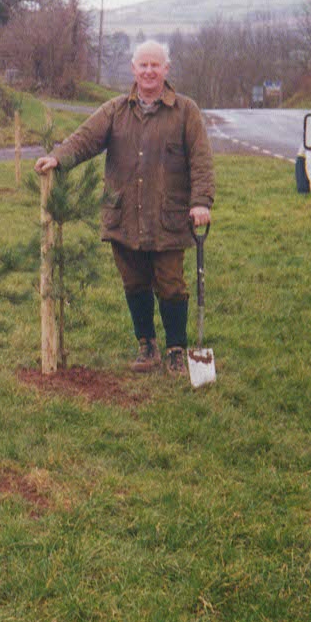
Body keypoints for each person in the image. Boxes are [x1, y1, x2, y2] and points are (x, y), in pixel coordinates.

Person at [35, 39, 215, 375]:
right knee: (134, 282)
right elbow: (84, 139)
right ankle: (147, 346)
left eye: (155, 65)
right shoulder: (115, 110)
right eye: (143, 65)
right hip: (124, 215)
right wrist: (57, 158)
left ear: (166, 70)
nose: (149, 71)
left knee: (171, 282)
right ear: (133, 69)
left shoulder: (186, 111)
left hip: (169, 216)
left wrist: (201, 202)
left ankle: (177, 347)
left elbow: (202, 161)